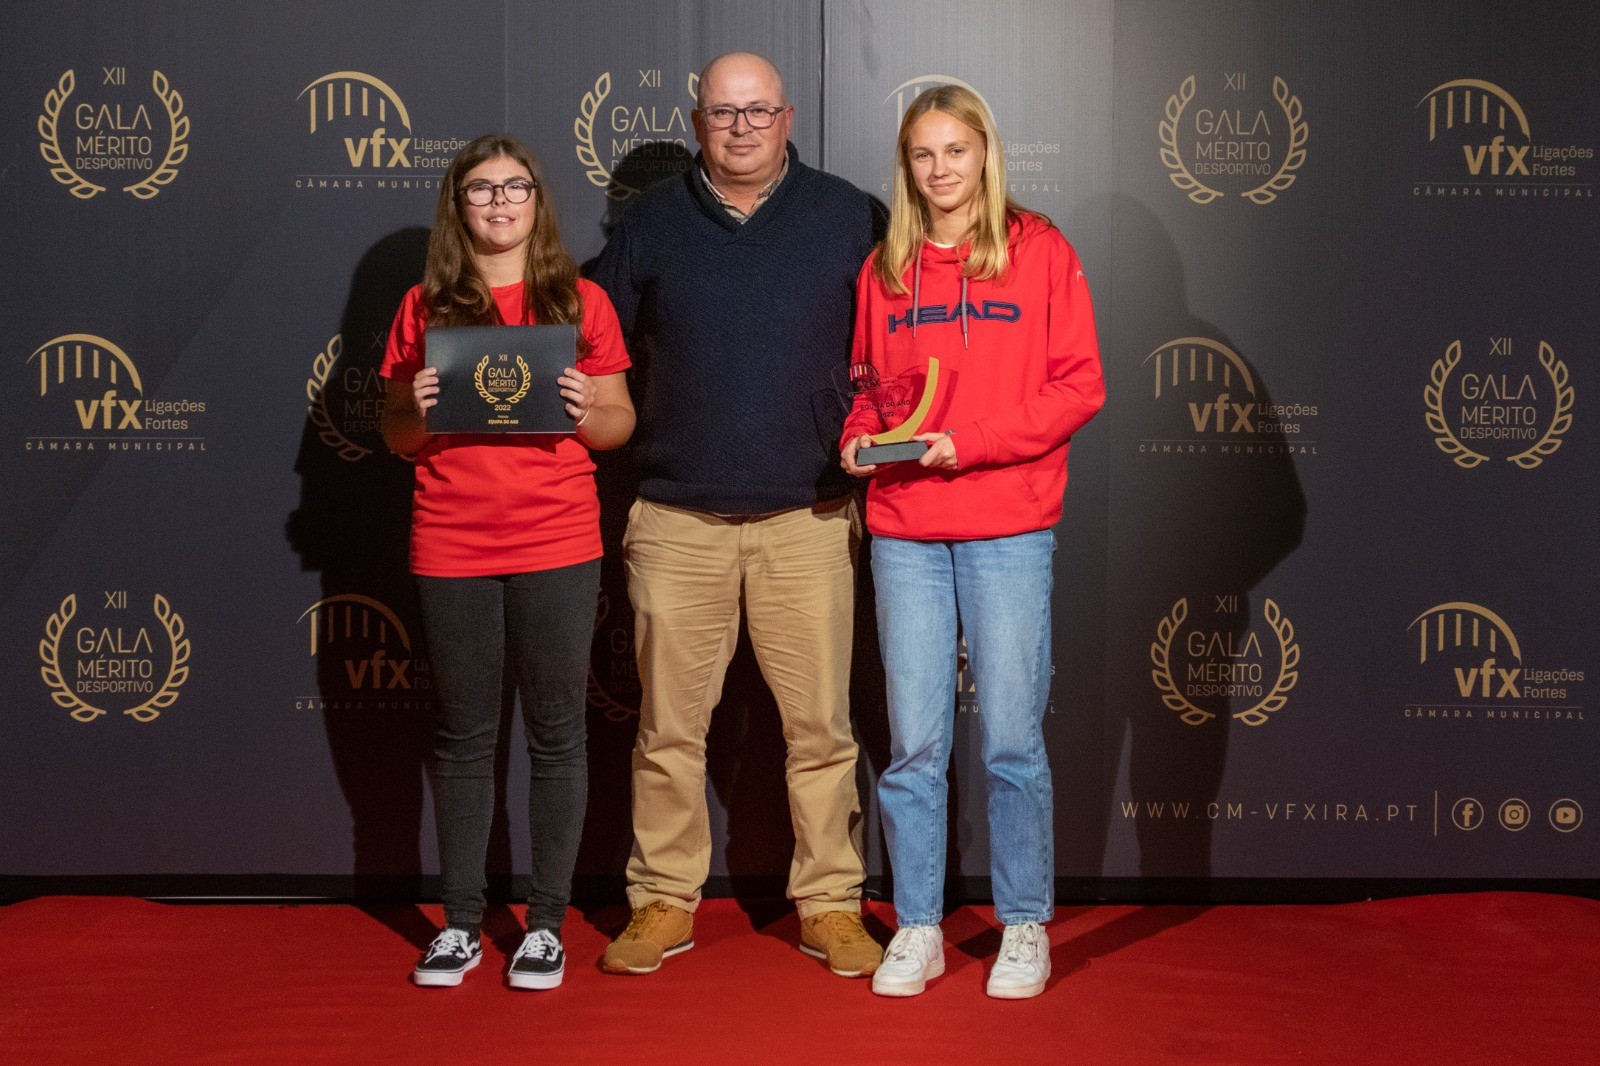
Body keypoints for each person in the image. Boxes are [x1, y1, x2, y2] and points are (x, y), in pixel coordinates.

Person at [588, 52, 881, 978]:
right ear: (697, 118)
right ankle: (662, 899)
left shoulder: (848, 216)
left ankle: (831, 903)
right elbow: (593, 335)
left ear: (788, 117)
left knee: (822, 732)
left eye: (759, 111)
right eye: (724, 112)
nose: (742, 127)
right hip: (677, 520)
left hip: (809, 518)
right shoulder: (648, 225)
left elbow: (897, 341)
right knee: (668, 730)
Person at [840, 85, 1105, 999]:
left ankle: (1022, 921)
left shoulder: (1039, 251)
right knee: (913, 742)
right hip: (906, 528)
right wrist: (860, 436)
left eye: (956, 151)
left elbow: (1079, 387)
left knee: (1011, 741)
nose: (940, 169)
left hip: (1008, 526)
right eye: (923, 154)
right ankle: (917, 923)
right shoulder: (888, 267)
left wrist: (974, 445)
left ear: (985, 155)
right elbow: (874, 387)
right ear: (906, 166)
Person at [379, 134, 635, 989]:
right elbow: (397, 438)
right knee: (462, 735)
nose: (498, 202)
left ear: (537, 201)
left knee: (558, 732)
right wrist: (413, 408)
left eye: (513, 187)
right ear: (459, 207)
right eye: (480, 190)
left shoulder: (581, 300)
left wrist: (585, 407)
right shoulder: (424, 304)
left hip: (558, 538)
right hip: (450, 538)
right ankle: (458, 921)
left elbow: (616, 425)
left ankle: (547, 923)